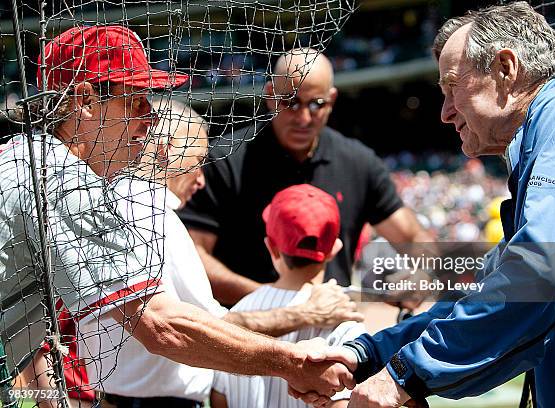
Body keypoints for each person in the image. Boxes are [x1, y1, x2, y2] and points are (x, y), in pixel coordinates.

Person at [0, 25, 355, 406]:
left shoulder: (31, 160)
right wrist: (293, 362)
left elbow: (30, 336)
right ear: (85, 101)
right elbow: (162, 326)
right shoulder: (61, 179)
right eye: (135, 100)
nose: (149, 118)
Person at [294, 2, 555, 407]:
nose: (444, 113)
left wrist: (405, 375)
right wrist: (368, 354)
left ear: (506, 67)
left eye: (451, 86)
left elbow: (547, 272)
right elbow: (485, 295)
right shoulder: (551, 132)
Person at [79, 102, 363, 408]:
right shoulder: (152, 213)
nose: (201, 179)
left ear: (272, 245)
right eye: (197, 161)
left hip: (119, 396)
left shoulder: (112, 204)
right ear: (165, 148)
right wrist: (305, 315)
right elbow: (206, 327)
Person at [178, 48, 432, 305]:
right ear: (269, 96)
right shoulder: (224, 159)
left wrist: (421, 276)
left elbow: (413, 236)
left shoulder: (358, 162)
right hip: (248, 331)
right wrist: (276, 303)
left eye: (316, 104)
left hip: (331, 331)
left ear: (331, 101)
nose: (303, 117)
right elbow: (193, 255)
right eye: (290, 102)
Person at [210, 184, 366, 408]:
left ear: (271, 247)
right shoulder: (343, 314)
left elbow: (219, 401)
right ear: (335, 247)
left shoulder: (235, 314)